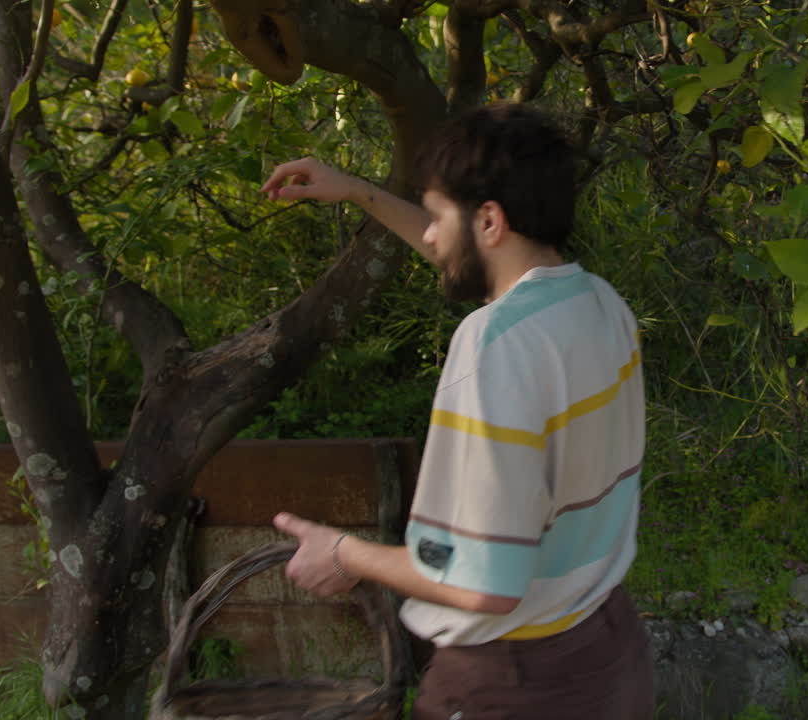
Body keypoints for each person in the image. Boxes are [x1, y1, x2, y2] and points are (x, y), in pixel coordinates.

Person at [259, 103, 653, 719]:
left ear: (491, 221)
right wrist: (359, 192)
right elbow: (461, 255)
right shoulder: (599, 305)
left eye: (440, 216)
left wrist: (343, 554)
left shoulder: (495, 347)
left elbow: (478, 581)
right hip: (609, 654)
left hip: (514, 686)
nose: (432, 234)